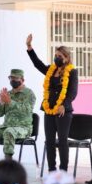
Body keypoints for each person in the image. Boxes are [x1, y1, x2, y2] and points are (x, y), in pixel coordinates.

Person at [26, 34, 78, 172]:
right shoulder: (51, 69)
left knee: (62, 141)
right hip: (48, 109)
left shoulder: (72, 72)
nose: (57, 58)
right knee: (49, 141)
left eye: (60, 56)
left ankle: (63, 170)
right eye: (56, 55)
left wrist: (64, 105)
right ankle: (51, 169)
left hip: (63, 112)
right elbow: (37, 64)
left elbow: (73, 92)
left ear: (66, 58)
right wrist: (29, 47)